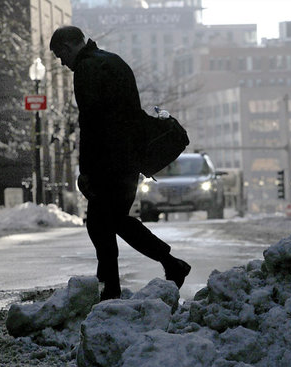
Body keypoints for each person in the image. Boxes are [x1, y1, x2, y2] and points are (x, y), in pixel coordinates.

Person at [49, 26, 190, 301]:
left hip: (108, 160)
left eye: (60, 56)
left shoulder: (87, 69)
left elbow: (91, 123)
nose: (62, 63)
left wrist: (85, 170)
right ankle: (119, 280)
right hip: (129, 157)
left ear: (67, 47)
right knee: (109, 221)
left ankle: (163, 267)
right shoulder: (113, 60)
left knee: (105, 222)